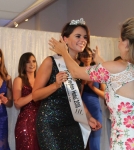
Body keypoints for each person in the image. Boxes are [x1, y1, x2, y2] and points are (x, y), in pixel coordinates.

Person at [49, 17, 134, 150]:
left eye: (119, 41)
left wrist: (63, 52)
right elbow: (115, 77)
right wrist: (100, 61)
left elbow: (76, 72)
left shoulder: (120, 68)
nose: (118, 45)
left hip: (125, 143)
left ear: (127, 44)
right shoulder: (124, 70)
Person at [32, 18, 101, 150]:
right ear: (65, 39)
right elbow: (35, 95)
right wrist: (55, 85)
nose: (83, 40)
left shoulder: (79, 67)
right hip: (50, 123)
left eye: (85, 37)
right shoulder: (50, 62)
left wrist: (89, 117)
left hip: (73, 122)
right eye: (78, 36)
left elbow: (77, 98)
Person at [78, 47, 105, 150]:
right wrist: (83, 83)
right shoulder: (76, 71)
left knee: (95, 135)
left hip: (94, 106)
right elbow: (75, 94)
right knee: (81, 136)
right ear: (79, 56)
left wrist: (92, 87)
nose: (86, 58)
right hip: (80, 106)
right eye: (84, 55)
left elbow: (104, 94)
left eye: (89, 55)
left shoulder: (98, 71)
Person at [13, 52, 40, 150]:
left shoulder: (41, 81)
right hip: (25, 123)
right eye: (28, 62)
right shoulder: (19, 80)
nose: (32, 64)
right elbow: (17, 103)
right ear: (23, 65)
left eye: (33, 61)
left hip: (41, 123)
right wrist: (35, 93)